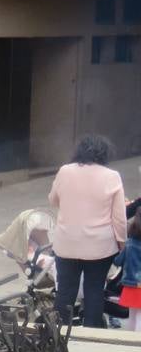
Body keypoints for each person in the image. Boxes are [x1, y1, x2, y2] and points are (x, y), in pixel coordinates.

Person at [48, 134, 127, 328]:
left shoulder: (65, 171)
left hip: (66, 244)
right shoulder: (112, 176)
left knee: (65, 291)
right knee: (94, 290)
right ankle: (91, 334)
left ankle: (59, 336)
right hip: (100, 247)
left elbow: (53, 200)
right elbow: (119, 217)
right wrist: (121, 242)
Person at [114, 212, 141, 331]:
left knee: (132, 315)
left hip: (130, 285)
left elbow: (118, 261)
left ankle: (130, 341)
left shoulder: (129, 243)